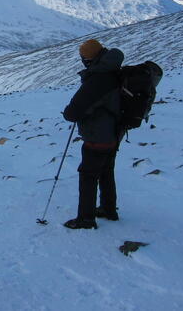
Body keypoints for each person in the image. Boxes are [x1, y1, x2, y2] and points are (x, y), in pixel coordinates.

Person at [62, 39, 124, 229]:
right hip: (114, 131)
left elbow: (73, 112)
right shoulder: (114, 71)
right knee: (106, 170)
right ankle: (108, 208)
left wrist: (70, 112)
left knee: (88, 174)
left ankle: (86, 219)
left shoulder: (98, 78)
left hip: (98, 134)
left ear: (88, 59)